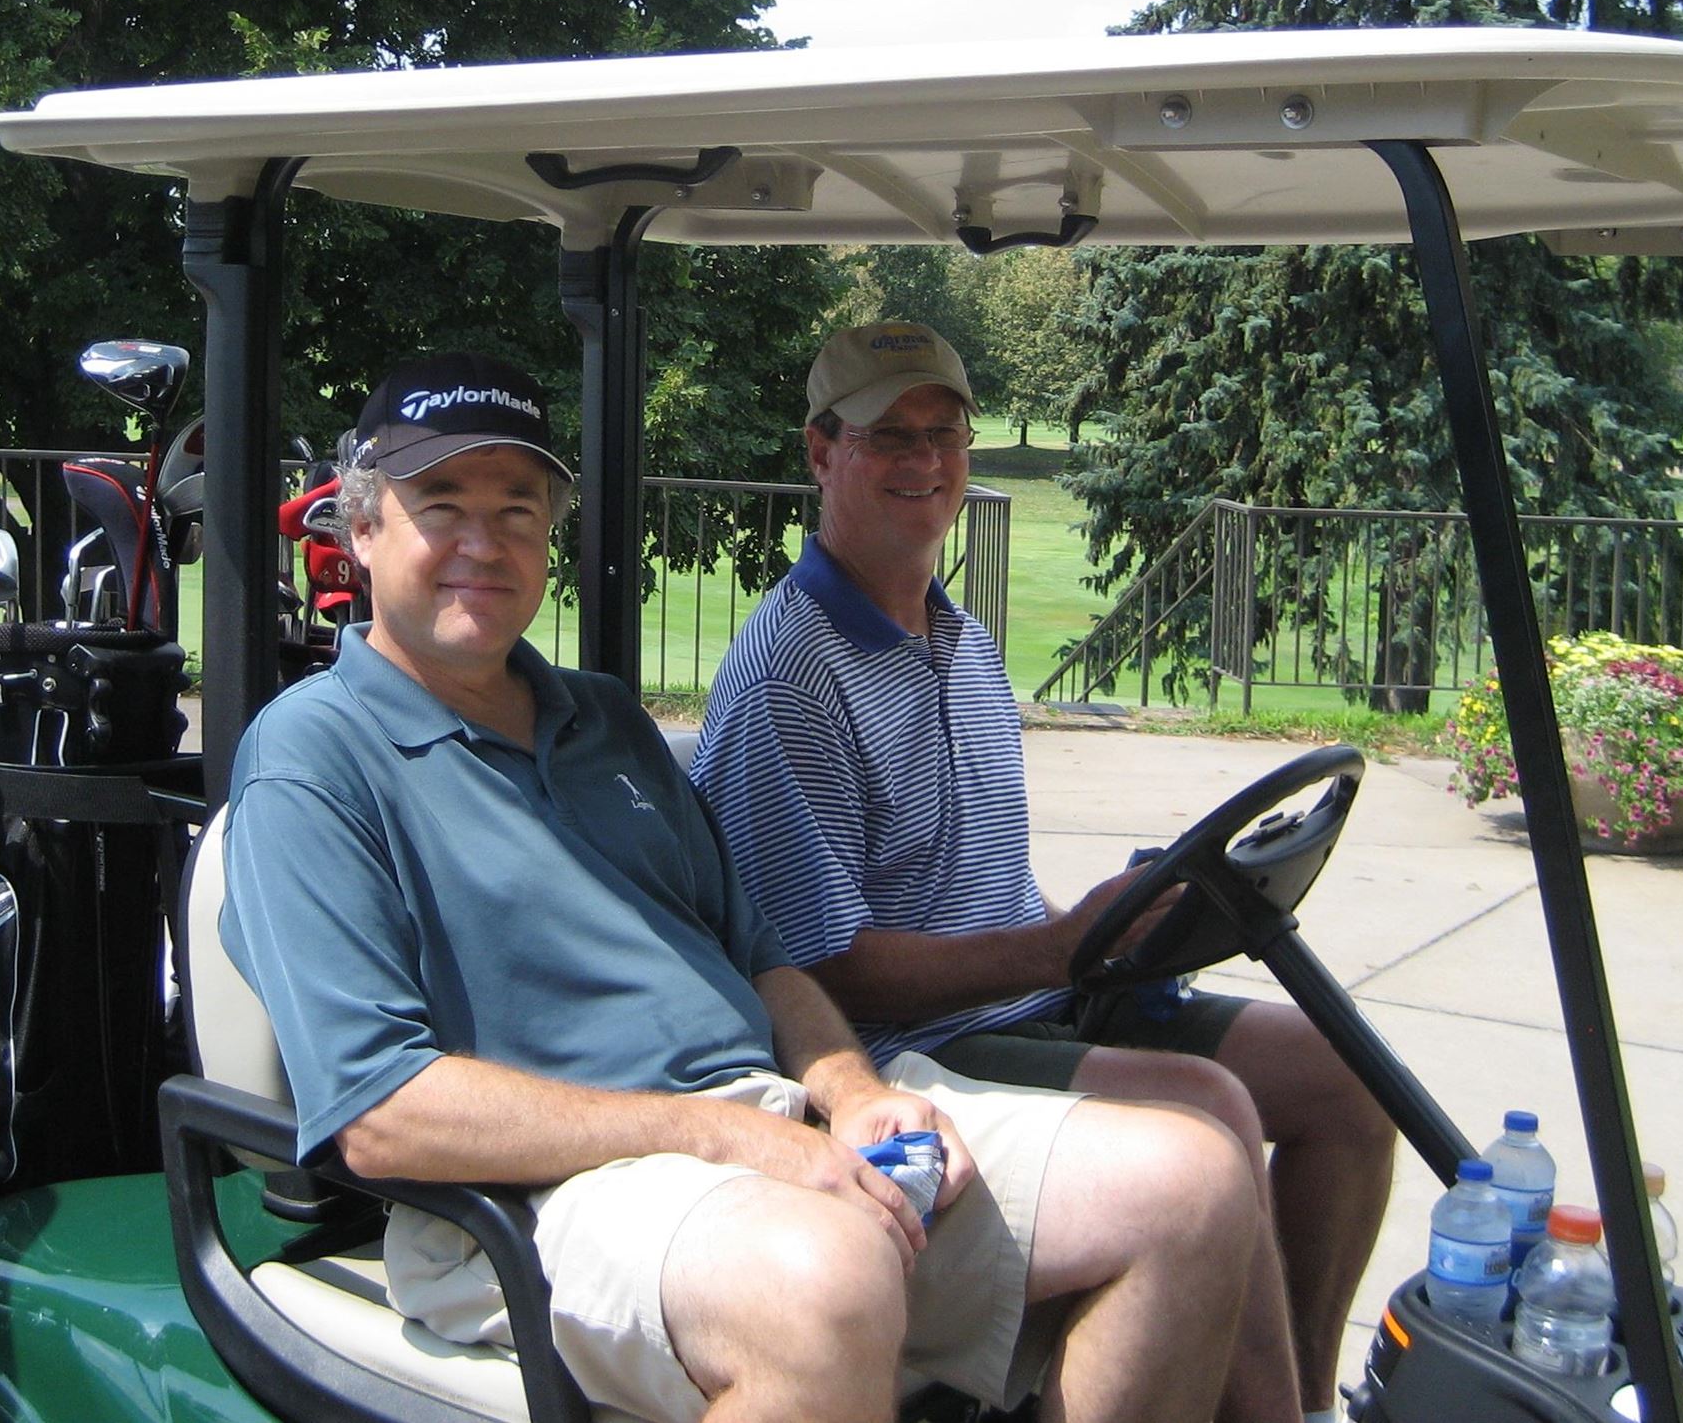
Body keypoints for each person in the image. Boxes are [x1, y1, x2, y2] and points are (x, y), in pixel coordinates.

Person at [220, 350, 1283, 1423]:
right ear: (364, 530)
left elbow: (763, 957)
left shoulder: (604, 720)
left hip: (769, 1127)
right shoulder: (313, 758)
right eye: (442, 506)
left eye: (517, 510)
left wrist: (853, 1095)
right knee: (827, 1278)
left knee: (1191, 1184)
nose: (483, 544)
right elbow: (383, 1112)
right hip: (540, 1195)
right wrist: (721, 1134)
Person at [691, 321, 1397, 1423]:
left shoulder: (961, 641)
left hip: (1039, 998)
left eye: (944, 434)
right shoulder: (789, 674)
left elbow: (988, 889)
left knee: (1341, 1074)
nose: (925, 461)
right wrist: (1062, 947)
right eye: (888, 437)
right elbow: (822, 969)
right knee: (1207, 1106)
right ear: (822, 453)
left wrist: (1110, 933)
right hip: (908, 1055)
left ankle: (1302, 1396)